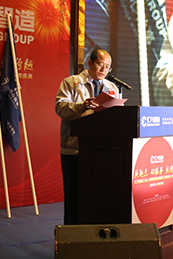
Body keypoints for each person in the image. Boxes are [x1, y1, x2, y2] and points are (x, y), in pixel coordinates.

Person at [54, 48, 121, 225]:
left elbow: (118, 117)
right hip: (74, 150)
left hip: (103, 152)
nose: (104, 70)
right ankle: (72, 235)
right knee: (74, 196)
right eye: (100, 64)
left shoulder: (112, 87)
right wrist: (82, 106)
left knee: (98, 196)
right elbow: (60, 108)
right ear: (90, 62)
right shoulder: (71, 82)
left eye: (107, 67)